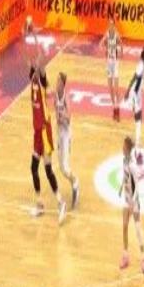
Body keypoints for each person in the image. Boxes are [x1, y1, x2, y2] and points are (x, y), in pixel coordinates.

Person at [28, 54, 67, 224]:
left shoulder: (42, 82)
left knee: (48, 169)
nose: (36, 69)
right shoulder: (32, 81)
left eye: (37, 68)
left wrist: (40, 61)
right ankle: (39, 204)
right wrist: (33, 61)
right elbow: (30, 64)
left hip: (45, 130)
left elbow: (42, 70)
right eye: (34, 68)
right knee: (33, 168)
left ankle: (61, 202)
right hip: (37, 132)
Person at [119, 136, 144, 274]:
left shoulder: (132, 165)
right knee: (124, 226)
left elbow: (137, 186)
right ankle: (125, 256)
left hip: (134, 200)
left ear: (127, 148)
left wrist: (133, 203)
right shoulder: (124, 160)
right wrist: (121, 186)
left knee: (137, 229)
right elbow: (125, 177)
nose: (121, 147)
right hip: (126, 199)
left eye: (123, 146)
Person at [54, 72, 80, 209]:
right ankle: (74, 182)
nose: (56, 82)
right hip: (59, 133)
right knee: (61, 167)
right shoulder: (55, 96)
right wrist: (58, 118)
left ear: (63, 84)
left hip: (66, 134)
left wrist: (63, 115)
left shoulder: (66, 97)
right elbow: (56, 114)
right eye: (56, 80)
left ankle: (75, 183)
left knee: (65, 167)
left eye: (59, 81)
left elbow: (69, 118)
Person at [124, 47, 144, 150]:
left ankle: (137, 139)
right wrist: (127, 91)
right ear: (143, 56)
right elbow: (134, 78)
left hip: (139, 93)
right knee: (138, 116)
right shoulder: (140, 66)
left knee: (138, 116)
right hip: (134, 93)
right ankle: (136, 141)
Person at [99, 17, 123, 121]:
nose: (110, 26)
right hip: (109, 63)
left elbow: (121, 44)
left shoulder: (117, 35)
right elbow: (100, 44)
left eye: (112, 24)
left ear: (114, 25)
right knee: (110, 88)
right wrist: (105, 49)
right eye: (109, 24)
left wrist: (120, 52)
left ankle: (118, 109)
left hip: (115, 62)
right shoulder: (107, 34)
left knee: (116, 88)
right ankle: (114, 108)